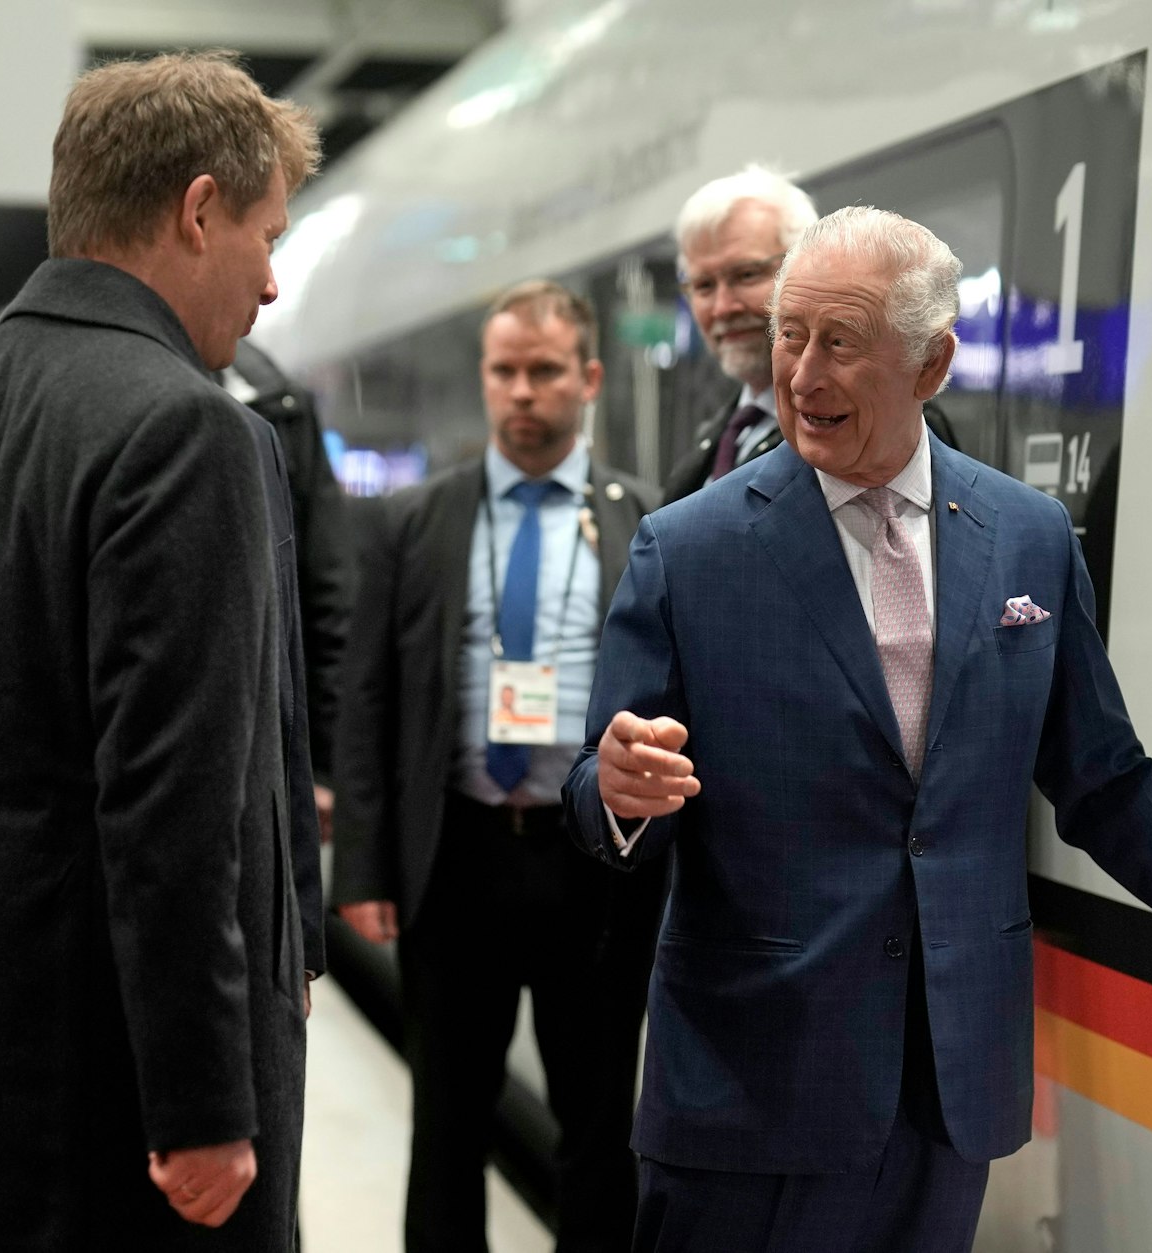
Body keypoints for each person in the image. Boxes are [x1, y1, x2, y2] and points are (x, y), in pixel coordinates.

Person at [563, 207, 1152, 1251]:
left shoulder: (1025, 535)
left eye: (840, 341)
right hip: (752, 1086)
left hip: (947, 1082)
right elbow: (600, 787)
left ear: (930, 364)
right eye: (791, 334)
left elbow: (1098, 770)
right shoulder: (687, 548)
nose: (801, 371)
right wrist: (614, 791)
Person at [0, 52, 324, 1248]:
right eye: (266, 235)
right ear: (198, 208)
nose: (269, 282)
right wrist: (204, 1099)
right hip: (114, 1099)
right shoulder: (186, 432)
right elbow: (175, 804)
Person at [333, 280, 662, 1253]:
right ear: (483, 378)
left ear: (589, 377)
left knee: (599, 1126)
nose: (522, 391)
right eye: (503, 371)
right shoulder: (411, 521)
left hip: (592, 864)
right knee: (447, 1125)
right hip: (458, 861)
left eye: (545, 370)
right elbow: (368, 700)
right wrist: (360, 868)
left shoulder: (649, 524)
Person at [662, 166, 958, 505]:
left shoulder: (897, 428)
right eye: (703, 285)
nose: (722, 307)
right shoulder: (720, 434)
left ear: (808, 265)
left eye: (745, 274)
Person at [220, 338, 354, 841]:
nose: (269, 286)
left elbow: (327, 596)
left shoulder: (281, 403)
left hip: (267, 746)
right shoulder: (277, 399)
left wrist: (320, 767)